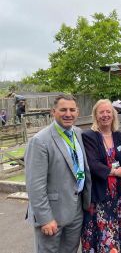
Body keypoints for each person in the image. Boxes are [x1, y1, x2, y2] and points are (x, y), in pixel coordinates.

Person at [24, 93, 92, 253]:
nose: (68, 114)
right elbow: (35, 186)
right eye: (63, 110)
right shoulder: (40, 141)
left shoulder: (78, 133)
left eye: (72, 110)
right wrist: (45, 219)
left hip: (76, 210)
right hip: (52, 213)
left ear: (77, 111)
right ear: (53, 111)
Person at [81, 99, 121, 252]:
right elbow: (92, 164)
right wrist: (114, 172)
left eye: (108, 112)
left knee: (115, 233)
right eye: (101, 112)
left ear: (113, 115)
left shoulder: (118, 136)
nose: (105, 115)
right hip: (99, 196)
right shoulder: (90, 136)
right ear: (96, 116)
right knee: (100, 235)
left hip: (116, 196)